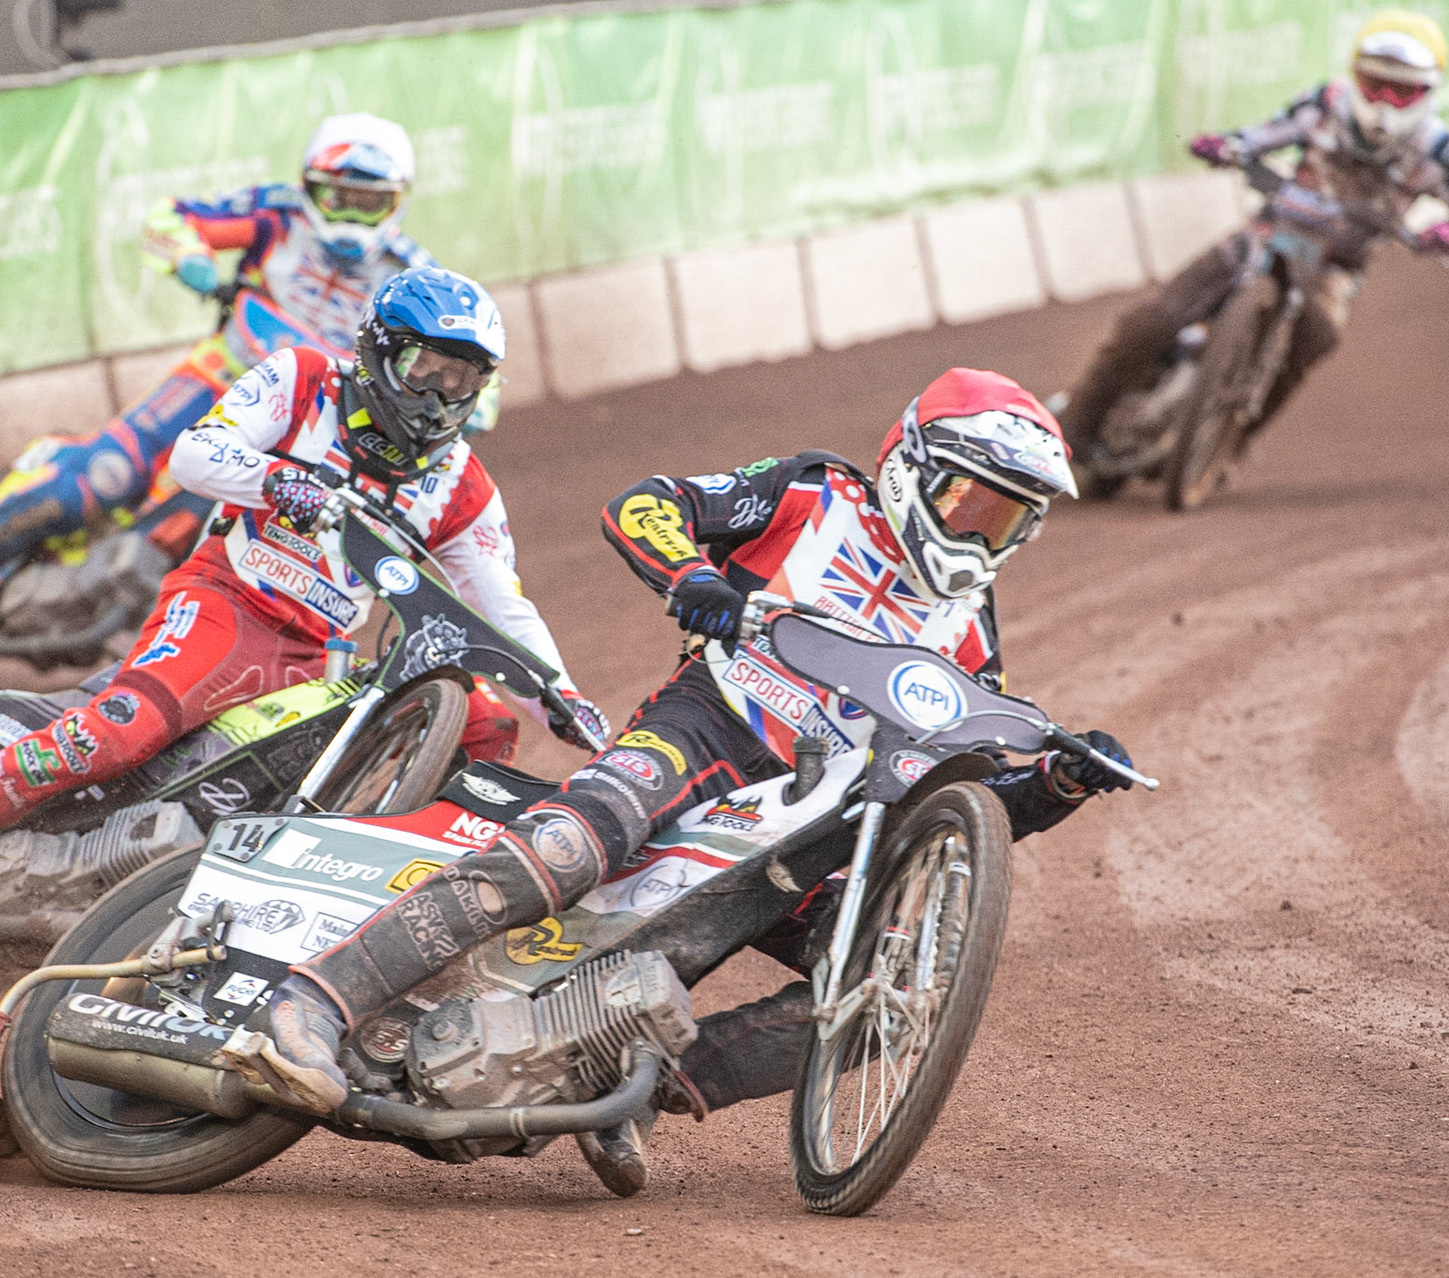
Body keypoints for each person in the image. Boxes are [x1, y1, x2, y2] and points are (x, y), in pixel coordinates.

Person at [253, 367, 1135, 1194]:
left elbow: (958, 804)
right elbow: (647, 505)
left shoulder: (971, 630)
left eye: (1007, 519)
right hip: (709, 723)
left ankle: (622, 1078)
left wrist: (1057, 782)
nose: (980, 531)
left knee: (884, 988)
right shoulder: (816, 493)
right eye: (969, 501)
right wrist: (694, 576)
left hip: (808, 819)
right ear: (912, 466)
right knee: (571, 844)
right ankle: (315, 1000)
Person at [0, 267, 605, 896]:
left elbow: (499, 604)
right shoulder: (304, 379)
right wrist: (281, 482)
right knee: (127, 730)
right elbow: (194, 455)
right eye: (426, 371)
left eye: (462, 380)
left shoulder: (463, 484)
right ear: (382, 353)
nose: (440, 397)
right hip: (226, 602)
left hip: (325, 655)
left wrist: (562, 698)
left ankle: (402, 897)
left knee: (485, 722)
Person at [0, 112, 499, 644]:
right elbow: (172, 218)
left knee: (188, 525)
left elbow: (483, 381)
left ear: (396, 203)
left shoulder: (413, 276)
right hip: (220, 373)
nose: (347, 217)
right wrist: (191, 260)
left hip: (307, 418)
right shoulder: (275, 213)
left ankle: (113, 623)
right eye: (336, 196)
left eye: (367, 203)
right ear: (309, 186)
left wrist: (454, 401)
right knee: (109, 472)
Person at [1057, 9, 1449, 466]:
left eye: (1403, 91)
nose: (1387, 102)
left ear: (1429, 91)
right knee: (1151, 320)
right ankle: (1073, 427)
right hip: (1268, 233)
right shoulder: (1328, 104)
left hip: (1335, 266)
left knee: (1318, 332)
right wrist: (1226, 146)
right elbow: (1262, 135)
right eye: (1376, 85)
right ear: (1355, 76)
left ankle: (1230, 443)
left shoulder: (1439, 150)